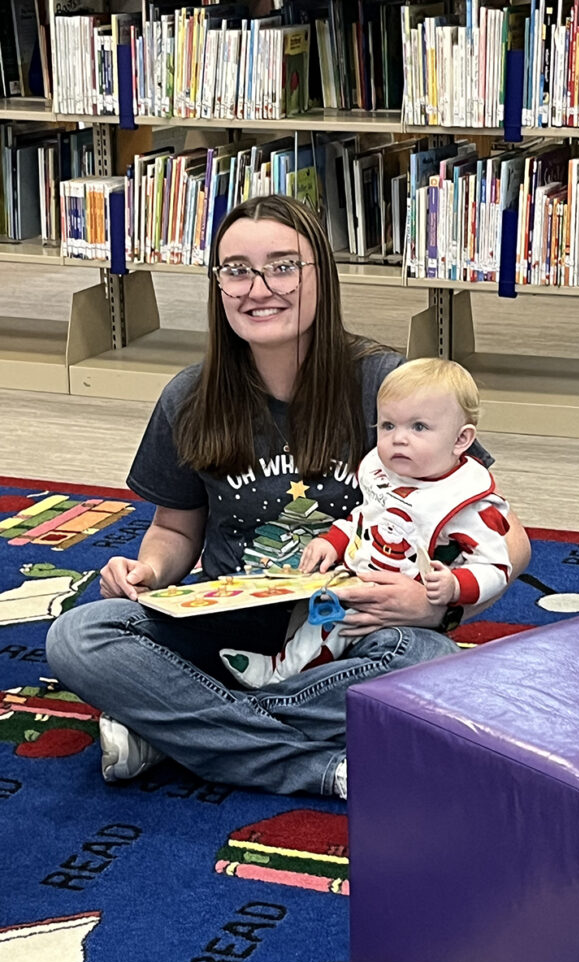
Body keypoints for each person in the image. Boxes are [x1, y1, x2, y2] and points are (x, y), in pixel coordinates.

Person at [45, 194, 531, 799]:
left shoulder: (388, 386)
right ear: (218, 284)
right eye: (237, 271)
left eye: (282, 267)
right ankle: (308, 760)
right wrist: (147, 570)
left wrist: (433, 607)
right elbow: (175, 529)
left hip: (352, 629)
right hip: (230, 625)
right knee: (79, 636)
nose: (259, 289)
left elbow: (508, 540)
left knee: (427, 659)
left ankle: (174, 729)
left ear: (320, 275)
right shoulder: (189, 396)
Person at [220, 357, 512, 688]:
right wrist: (332, 542)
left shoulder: (467, 503)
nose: (399, 438)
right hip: (356, 589)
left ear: (461, 440)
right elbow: (363, 519)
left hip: (409, 614)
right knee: (323, 623)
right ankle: (285, 676)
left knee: (407, 657)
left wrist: (455, 587)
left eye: (418, 427)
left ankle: (280, 687)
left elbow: (496, 567)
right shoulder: (385, 475)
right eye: (388, 426)